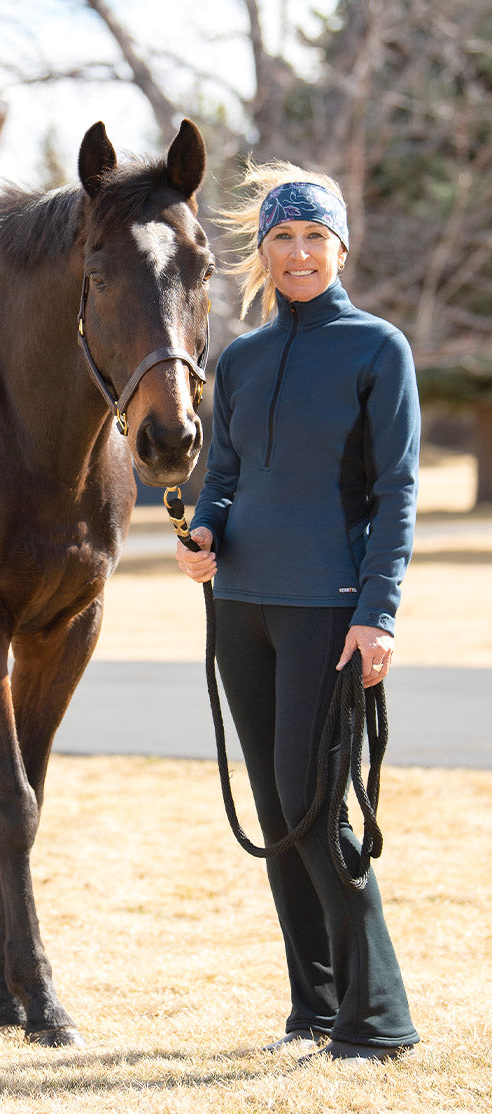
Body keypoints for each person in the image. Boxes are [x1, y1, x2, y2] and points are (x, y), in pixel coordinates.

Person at [177, 160, 420, 1065]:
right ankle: (311, 1010)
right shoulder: (238, 358)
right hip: (241, 605)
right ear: (263, 252)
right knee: (279, 810)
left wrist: (378, 612)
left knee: (319, 808)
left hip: (329, 608)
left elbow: (397, 491)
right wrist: (204, 530)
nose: (298, 252)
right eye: (282, 237)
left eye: (315, 236)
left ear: (341, 245)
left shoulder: (376, 348)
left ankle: (379, 1018)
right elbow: (227, 477)